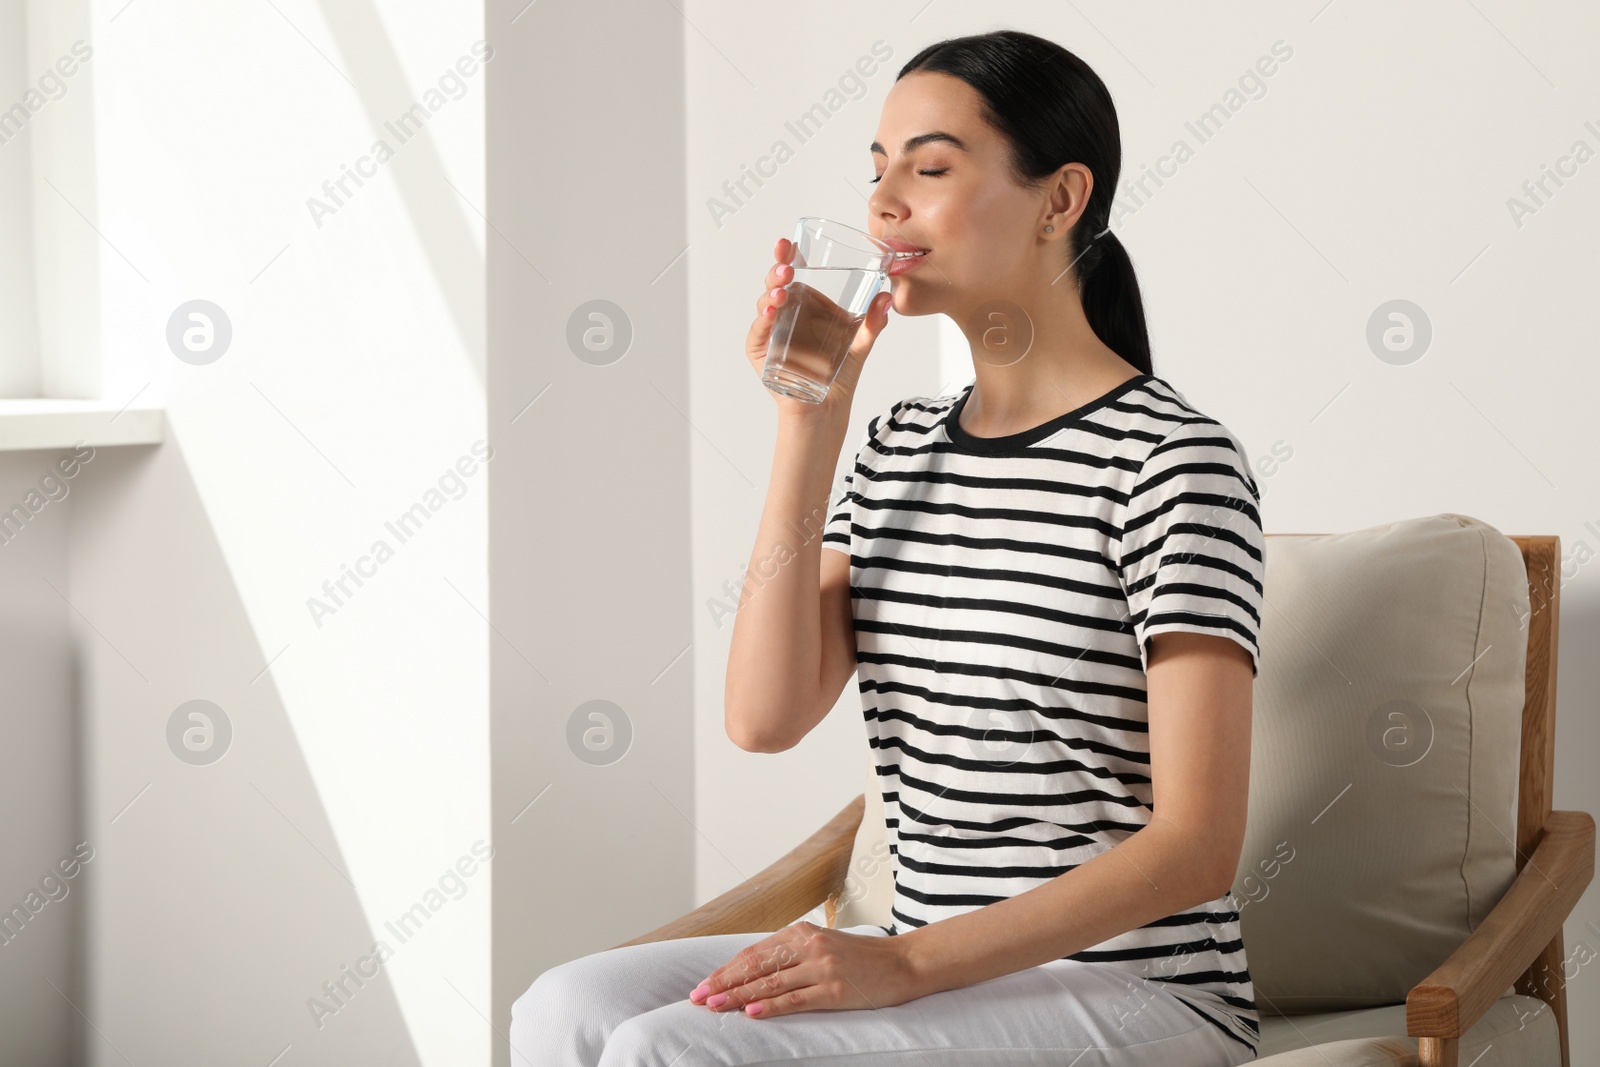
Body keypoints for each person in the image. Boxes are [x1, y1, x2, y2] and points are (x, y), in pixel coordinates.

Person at [512, 28, 1265, 1066]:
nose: (882, 202)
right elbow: (763, 715)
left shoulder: (1169, 461)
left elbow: (1197, 846)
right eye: (876, 169)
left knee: (671, 1048)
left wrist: (906, 964)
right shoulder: (898, 442)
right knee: (565, 1006)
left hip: (1135, 989)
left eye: (931, 166)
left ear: (1059, 200)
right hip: (926, 955)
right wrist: (806, 418)